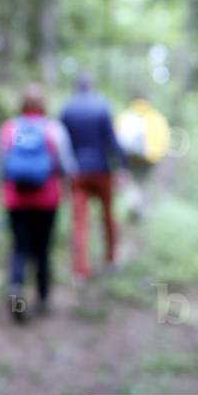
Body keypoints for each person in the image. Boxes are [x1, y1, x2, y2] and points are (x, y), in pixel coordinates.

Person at [0, 84, 77, 322]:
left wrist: (5, 190)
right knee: (42, 250)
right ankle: (42, 299)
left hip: (15, 199)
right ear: (43, 104)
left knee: (20, 248)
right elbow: (67, 165)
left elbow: (1, 165)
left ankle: (17, 291)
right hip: (47, 200)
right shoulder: (53, 129)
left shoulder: (9, 128)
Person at [60, 75, 126, 280]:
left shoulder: (66, 109)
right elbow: (112, 140)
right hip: (102, 171)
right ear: (92, 86)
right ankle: (111, 259)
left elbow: (61, 143)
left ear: (75, 87)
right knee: (107, 216)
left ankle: (80, 269)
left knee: (80, 221)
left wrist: (61, 172)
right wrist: (122, 166)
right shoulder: (102, 106)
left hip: (77, 172)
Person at [115, 96, 171, 222]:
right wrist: (159, 154)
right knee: (143, 183)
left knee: (131, 183)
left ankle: (135, 206)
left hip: (129, 156)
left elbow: (116, 135)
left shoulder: (126, 115)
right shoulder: (156, 117)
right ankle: (139, 211)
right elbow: (164, 139)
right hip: (149, 158)